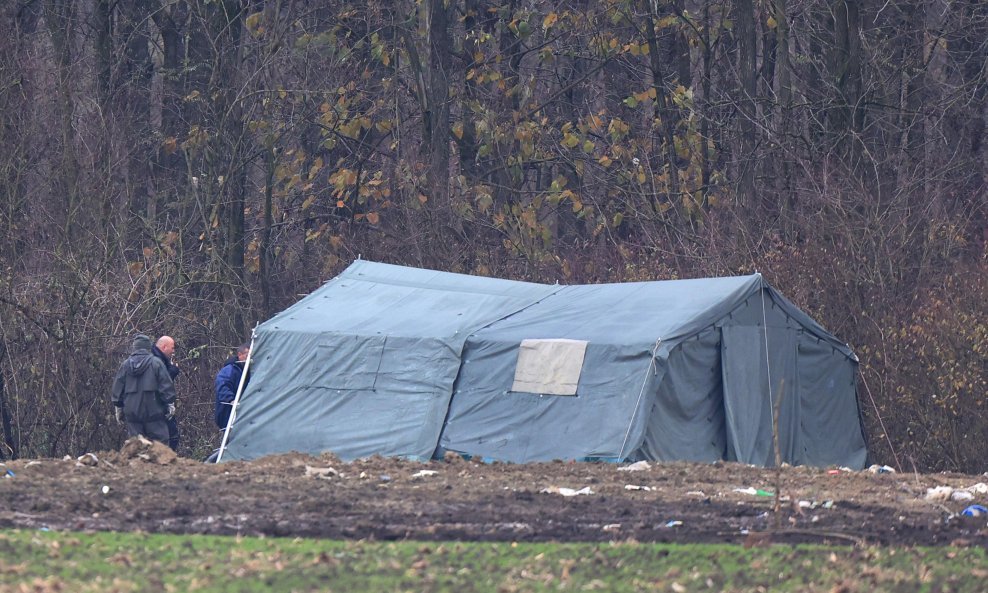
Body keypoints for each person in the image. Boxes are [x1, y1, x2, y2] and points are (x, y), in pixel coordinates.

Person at [111, 334, 176, 444]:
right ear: (148, 347)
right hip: (154, 416)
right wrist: (170, 404)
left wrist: (118, 408)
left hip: (133, 418)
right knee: (160, 450)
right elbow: (166, 387)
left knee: (136, 449)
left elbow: (117, 390)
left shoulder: (125, 365)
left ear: (134, 347)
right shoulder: (156, 363)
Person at [151, 335, 181, 452]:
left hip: (159, 404)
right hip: (158, 405)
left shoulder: (161, 360)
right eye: (172, 348)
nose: (173, 352)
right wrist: (173, 370)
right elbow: (160, 382)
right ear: (164, 347)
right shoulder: (155, 361)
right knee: (169, 437)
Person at [214, 342, 251, 431]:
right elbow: (222, 385)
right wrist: (231, 400)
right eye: (247, 355)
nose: (249, 359)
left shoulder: (249, 371)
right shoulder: (230, 370)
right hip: (229, 413)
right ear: (240, 354)